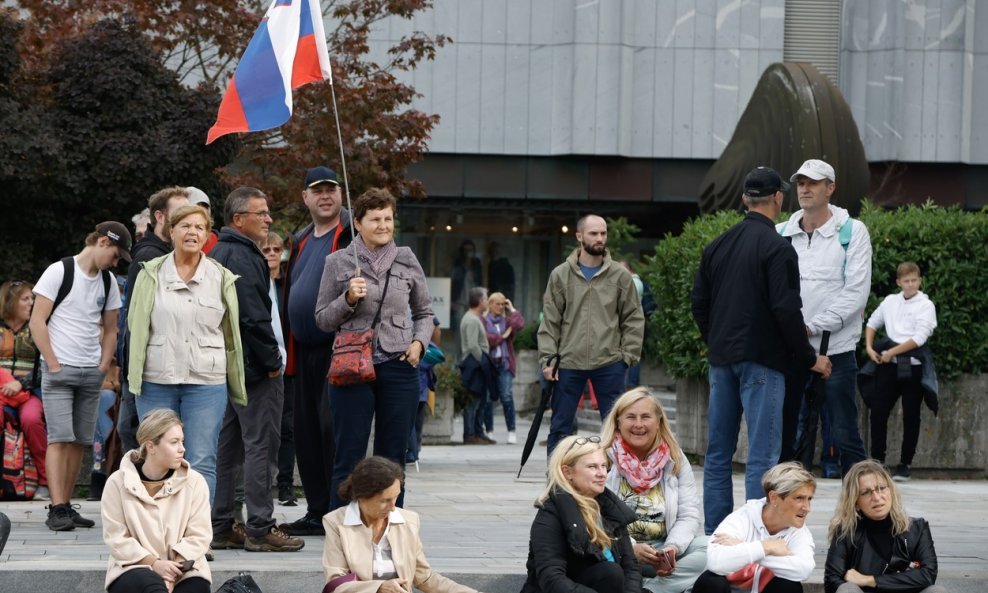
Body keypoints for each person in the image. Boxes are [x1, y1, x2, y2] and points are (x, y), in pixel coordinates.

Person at [691, 167, 830, 534]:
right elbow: (786, 311)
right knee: (763, 459)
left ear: (743, 199)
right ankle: (755, 535)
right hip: (765, 363)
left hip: (722, 360)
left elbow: (699, 305)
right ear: (779, 198)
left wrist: (717, 340)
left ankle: (717, 535)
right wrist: (808, 357)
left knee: (718, 454)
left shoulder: (716, 245)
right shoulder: (778, 248)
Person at [315, 188, 433, 511]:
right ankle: (342, 527)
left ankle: (389, 525)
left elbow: (424, 313)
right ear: (358, 222)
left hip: (399, 365)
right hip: (352, 366)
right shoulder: (337, 262)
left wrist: (419, 343)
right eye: (375, 219)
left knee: (393, 456)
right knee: (349, 453)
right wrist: (348, 299)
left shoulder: (407, 259)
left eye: (388, 218)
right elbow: (323, 319)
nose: (383, 225)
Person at [127, 204, 244, 505]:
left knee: (202, 459)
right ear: (171, 230)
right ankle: (156, 530)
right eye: (185, 226)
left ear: (207, 234)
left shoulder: (222, 278)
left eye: (199, 227)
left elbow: (230, 332)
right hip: (156, 379)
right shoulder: (150, 274)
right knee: (155, 456)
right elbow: (134, 325)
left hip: (206, 382)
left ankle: (195, 536)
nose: (192, 232)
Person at [208, 187, 303, 552]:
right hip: (255, 370)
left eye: (267, 212)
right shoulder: (244, 256)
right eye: (260, 213)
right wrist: (272, 362)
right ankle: (260, 528)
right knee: (261, 445)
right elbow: (252, 316)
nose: (268, 219)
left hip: (229, 368)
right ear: (237, 219)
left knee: (228, 447)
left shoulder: (220, 251)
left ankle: (221, 525)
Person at [30, 221, 129, 531]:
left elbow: (111, 328)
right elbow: (37, 321)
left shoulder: (108, 281)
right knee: (59, 438)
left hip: (90, 371)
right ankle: (56, 507)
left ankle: (67, 505)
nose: (115, 262)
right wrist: (53, 362)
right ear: (101, 242)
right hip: (61, 368)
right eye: (114, 254)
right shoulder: (59, 271)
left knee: (79, 441)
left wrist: (102, 366)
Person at [779, 159, 871, 474]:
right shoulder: (781, 233)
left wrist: (810, 327)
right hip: (792, 352)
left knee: (846, 437)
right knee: (788, 440)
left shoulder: (852, 232)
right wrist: (793, 331)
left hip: (837, 354)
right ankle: (788, 518)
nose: (804, 189)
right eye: (801, 183)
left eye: (813, 183)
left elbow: (856, 294)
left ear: (830, 188)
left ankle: (864, 517)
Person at [279, 166, 353, 537]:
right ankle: (316, 510)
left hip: (339, 349)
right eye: (317, 191)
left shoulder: (352, 233)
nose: (325, 196)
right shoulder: (302, 238)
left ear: (340, 194)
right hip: (301, 350)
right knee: (305, 433)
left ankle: (339, 511)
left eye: (331, 189)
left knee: (332, 431)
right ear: (305, 198)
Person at [537, 214, 645, 456]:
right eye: (593, 233)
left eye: (603, 233)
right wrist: (547, 359)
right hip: (568, 362)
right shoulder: (560, 275)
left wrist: (626, 357)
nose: (599, 238)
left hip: (609, 363)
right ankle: (557, 484)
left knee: (616, 429)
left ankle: (617, 483)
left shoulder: (619, 276)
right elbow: (550, 321)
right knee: (560, 427)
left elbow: (634, 318)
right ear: (579, 236)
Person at [600, 388, 707, 593]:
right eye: (631, 417)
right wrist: (629, 547)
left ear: (658, 422)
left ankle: (650, 590)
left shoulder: (675, 458)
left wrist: (673, 548)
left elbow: (689, 514)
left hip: (661, 550)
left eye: (646, 417)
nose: (638, 424)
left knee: (713, 549)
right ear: (618, 422)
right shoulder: (602, 458)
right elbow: (595, 515)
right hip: (617, 549)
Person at [321, 456, 480, 593]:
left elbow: (425, 578)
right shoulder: (336, 523)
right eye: (384, 501)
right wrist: (379, 587)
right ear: (361, 496)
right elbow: (336, 584)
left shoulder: (408, 521)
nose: (392, 507)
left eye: (395, 497)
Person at [101, 408, 211, 593]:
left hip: (184, 567)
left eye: (182, 441)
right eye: (174, 442)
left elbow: (199, 536)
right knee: (151, 588)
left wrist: (172, 571)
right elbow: (116, 538)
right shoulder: (117, 483)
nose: (182, 448)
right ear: (151, 446)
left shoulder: (195, 482)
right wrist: (154, 563)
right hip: (133, 566)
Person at [120, 187, 191, 453]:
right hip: (148, 364)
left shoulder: (169, 252)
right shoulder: (151, 256)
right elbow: (138, 317)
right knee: (144, 434)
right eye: (179, 213)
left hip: (154, 362)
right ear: (160, 216)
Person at [521, 435, 641, 593]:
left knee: (615, 574)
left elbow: (630, 567)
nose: (602, 473)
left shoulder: (610, 508)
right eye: (592, 467)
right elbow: (551, 578)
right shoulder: (550, 513)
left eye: (604, 466)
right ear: (568, 472)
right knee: (610, 573)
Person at [862, 262, 938, 482]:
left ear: (920, 280)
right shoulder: (890, 301)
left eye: (914, 280)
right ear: (899, 282)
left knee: (911, 414)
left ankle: (905, 464)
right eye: (907, 281)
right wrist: (869, 347)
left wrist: (892, 350)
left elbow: (920, 338)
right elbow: (872, 323)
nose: (911, 284)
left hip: (913, 366)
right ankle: (877, 460)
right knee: (878, 411)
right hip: (888, 365)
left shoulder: (926, 305)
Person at [695, 462, 817, 593]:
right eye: (799, 498)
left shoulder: (799, 532)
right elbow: (716, 562)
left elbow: (804, 570)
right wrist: (766, 547)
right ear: (774, 498)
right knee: (711, 582)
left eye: (809, 499)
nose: (807, 508)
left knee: (789, 587)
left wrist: (752, 550)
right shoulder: (742, 518)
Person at [825, 460, 944, 593]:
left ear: (891, 491)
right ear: (855, 502)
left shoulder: (917, 528)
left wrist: (870, 580)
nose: (876, 497)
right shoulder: (846, 532)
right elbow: (832, 582)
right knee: (846, 590)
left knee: (936, 591)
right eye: (866, 492)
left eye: (881, 488)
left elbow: (928, 575)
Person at [0, 280, 48, 500]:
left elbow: (45, 366)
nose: (32, 303)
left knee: (31, 419)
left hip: (30, 391)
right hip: (1, 391)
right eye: (25, 298)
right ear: (10, 303)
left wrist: (21, 383)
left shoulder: (37, 329)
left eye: (32, 298)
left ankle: (45, 481)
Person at [262, 230, 297, 506]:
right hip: (265, 363)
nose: (272, 254)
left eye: (276, 249)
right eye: (266, 250)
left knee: (287, 428)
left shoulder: (289, 284)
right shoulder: (256, 282)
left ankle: (285, 485)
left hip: (291, 364)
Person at [483, 292, 524, 444]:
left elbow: (519, 324)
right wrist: (503, 337)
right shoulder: (484, 320)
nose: (500, 307)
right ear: (490, 304)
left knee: (506, 396)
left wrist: (512, 308)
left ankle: (512, 431)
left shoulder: (507, 321)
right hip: (490, 363)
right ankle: (489, 431)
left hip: (505, 363)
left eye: (502, 304)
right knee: (488, 398)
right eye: (497, 304)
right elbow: (489, 340)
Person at [459, 287, 495, 445]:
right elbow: (473, 346)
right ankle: (470, 434)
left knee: (480, 400)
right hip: (475, 364)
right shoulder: (472, 319)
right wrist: (484, 362)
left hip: (477, 364)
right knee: (473, 401)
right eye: (486, 298)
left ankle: (478, 432)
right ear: (480, 301)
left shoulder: (473, 318)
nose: (487, 301)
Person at [451, 240, 483, 330]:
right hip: (459, 302)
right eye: (465, 250)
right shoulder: (458, 264)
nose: (468, 252)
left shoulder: (477, 265)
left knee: (472, 327)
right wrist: (451, 300)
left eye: (470, 250)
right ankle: (458, 345)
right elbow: (453, 282)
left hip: (473, 302)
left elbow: (480, 282)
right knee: (459, 328)